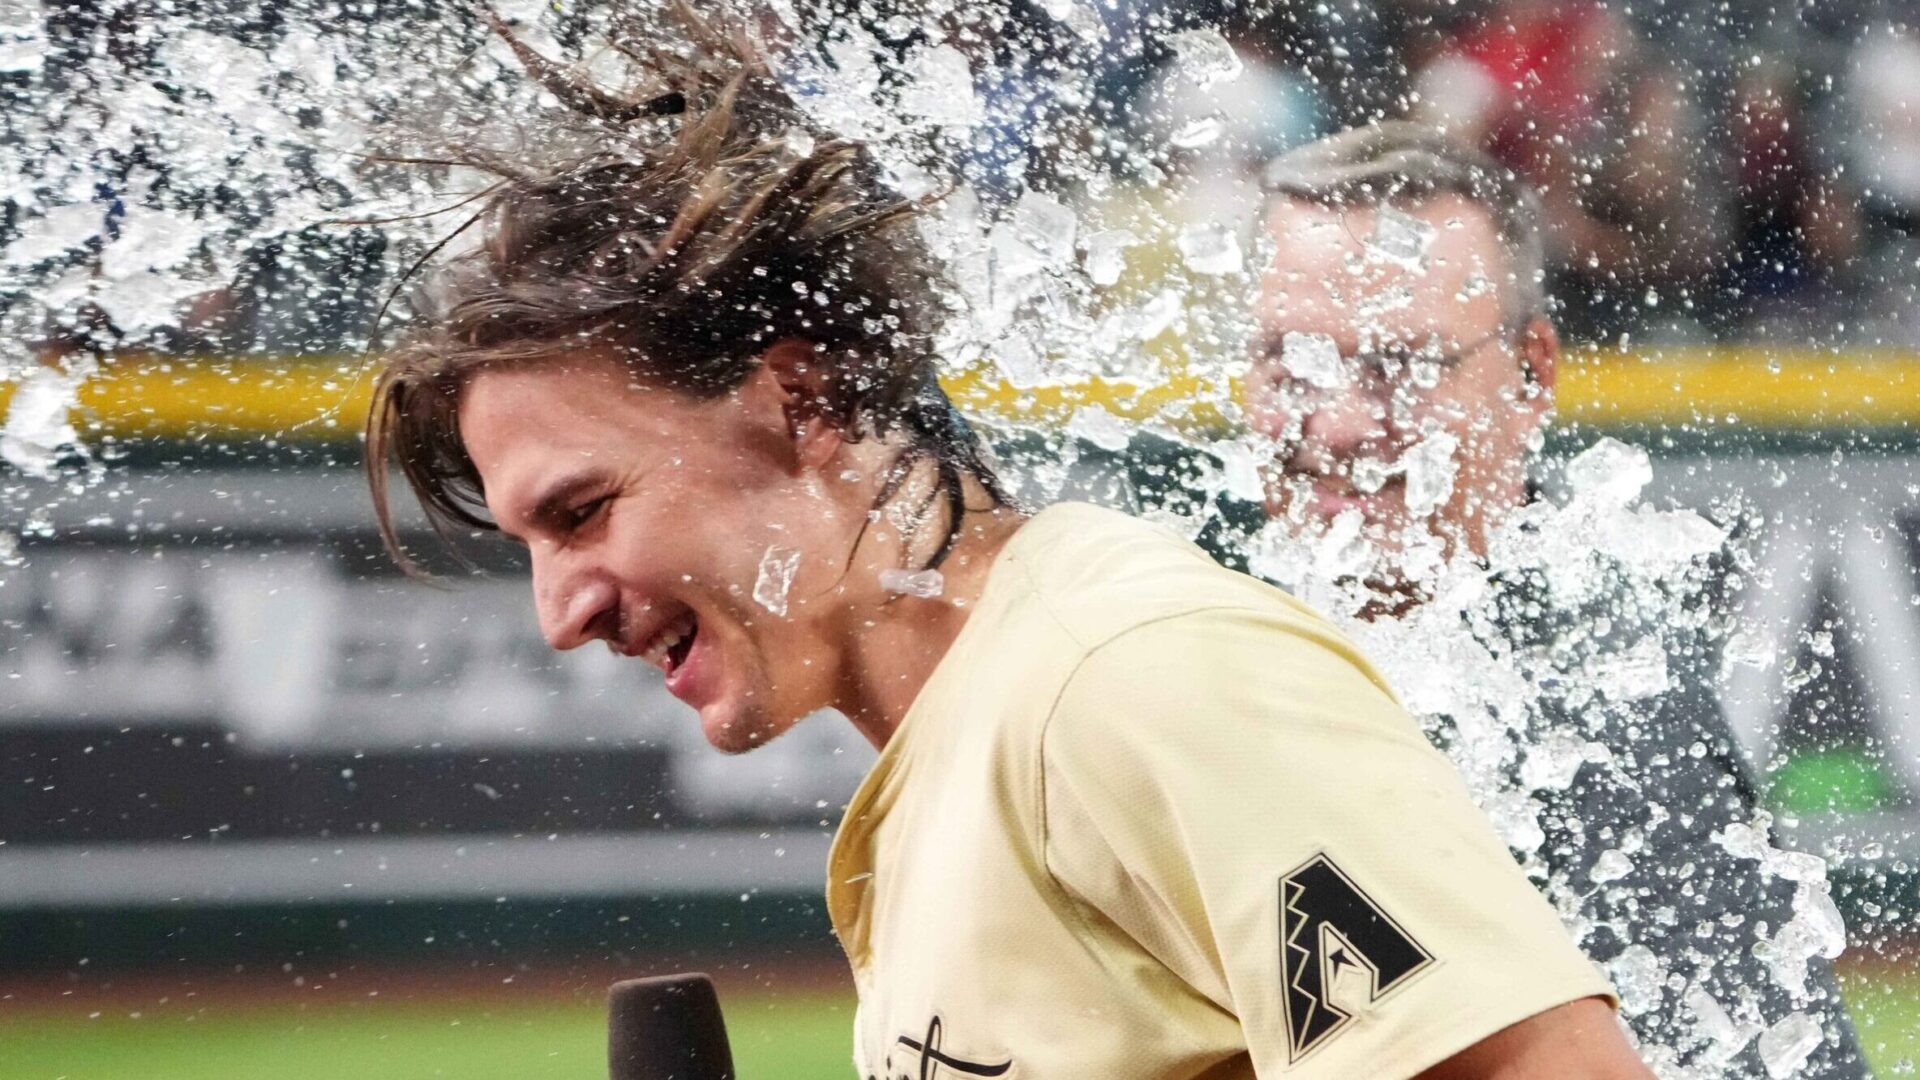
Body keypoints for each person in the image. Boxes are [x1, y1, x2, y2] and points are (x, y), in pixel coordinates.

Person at [365, 12, 1654, 1077]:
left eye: (582, 512)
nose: (559, 611)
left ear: (803, 400)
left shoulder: (1128, 676)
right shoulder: (974, 737)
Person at [1242, 122, 1867, 1076]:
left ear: (1533, 372)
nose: (1338, 420)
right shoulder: (1193, 627)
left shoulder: (1606, 713)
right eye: (1293, 362)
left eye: (1402, 365)